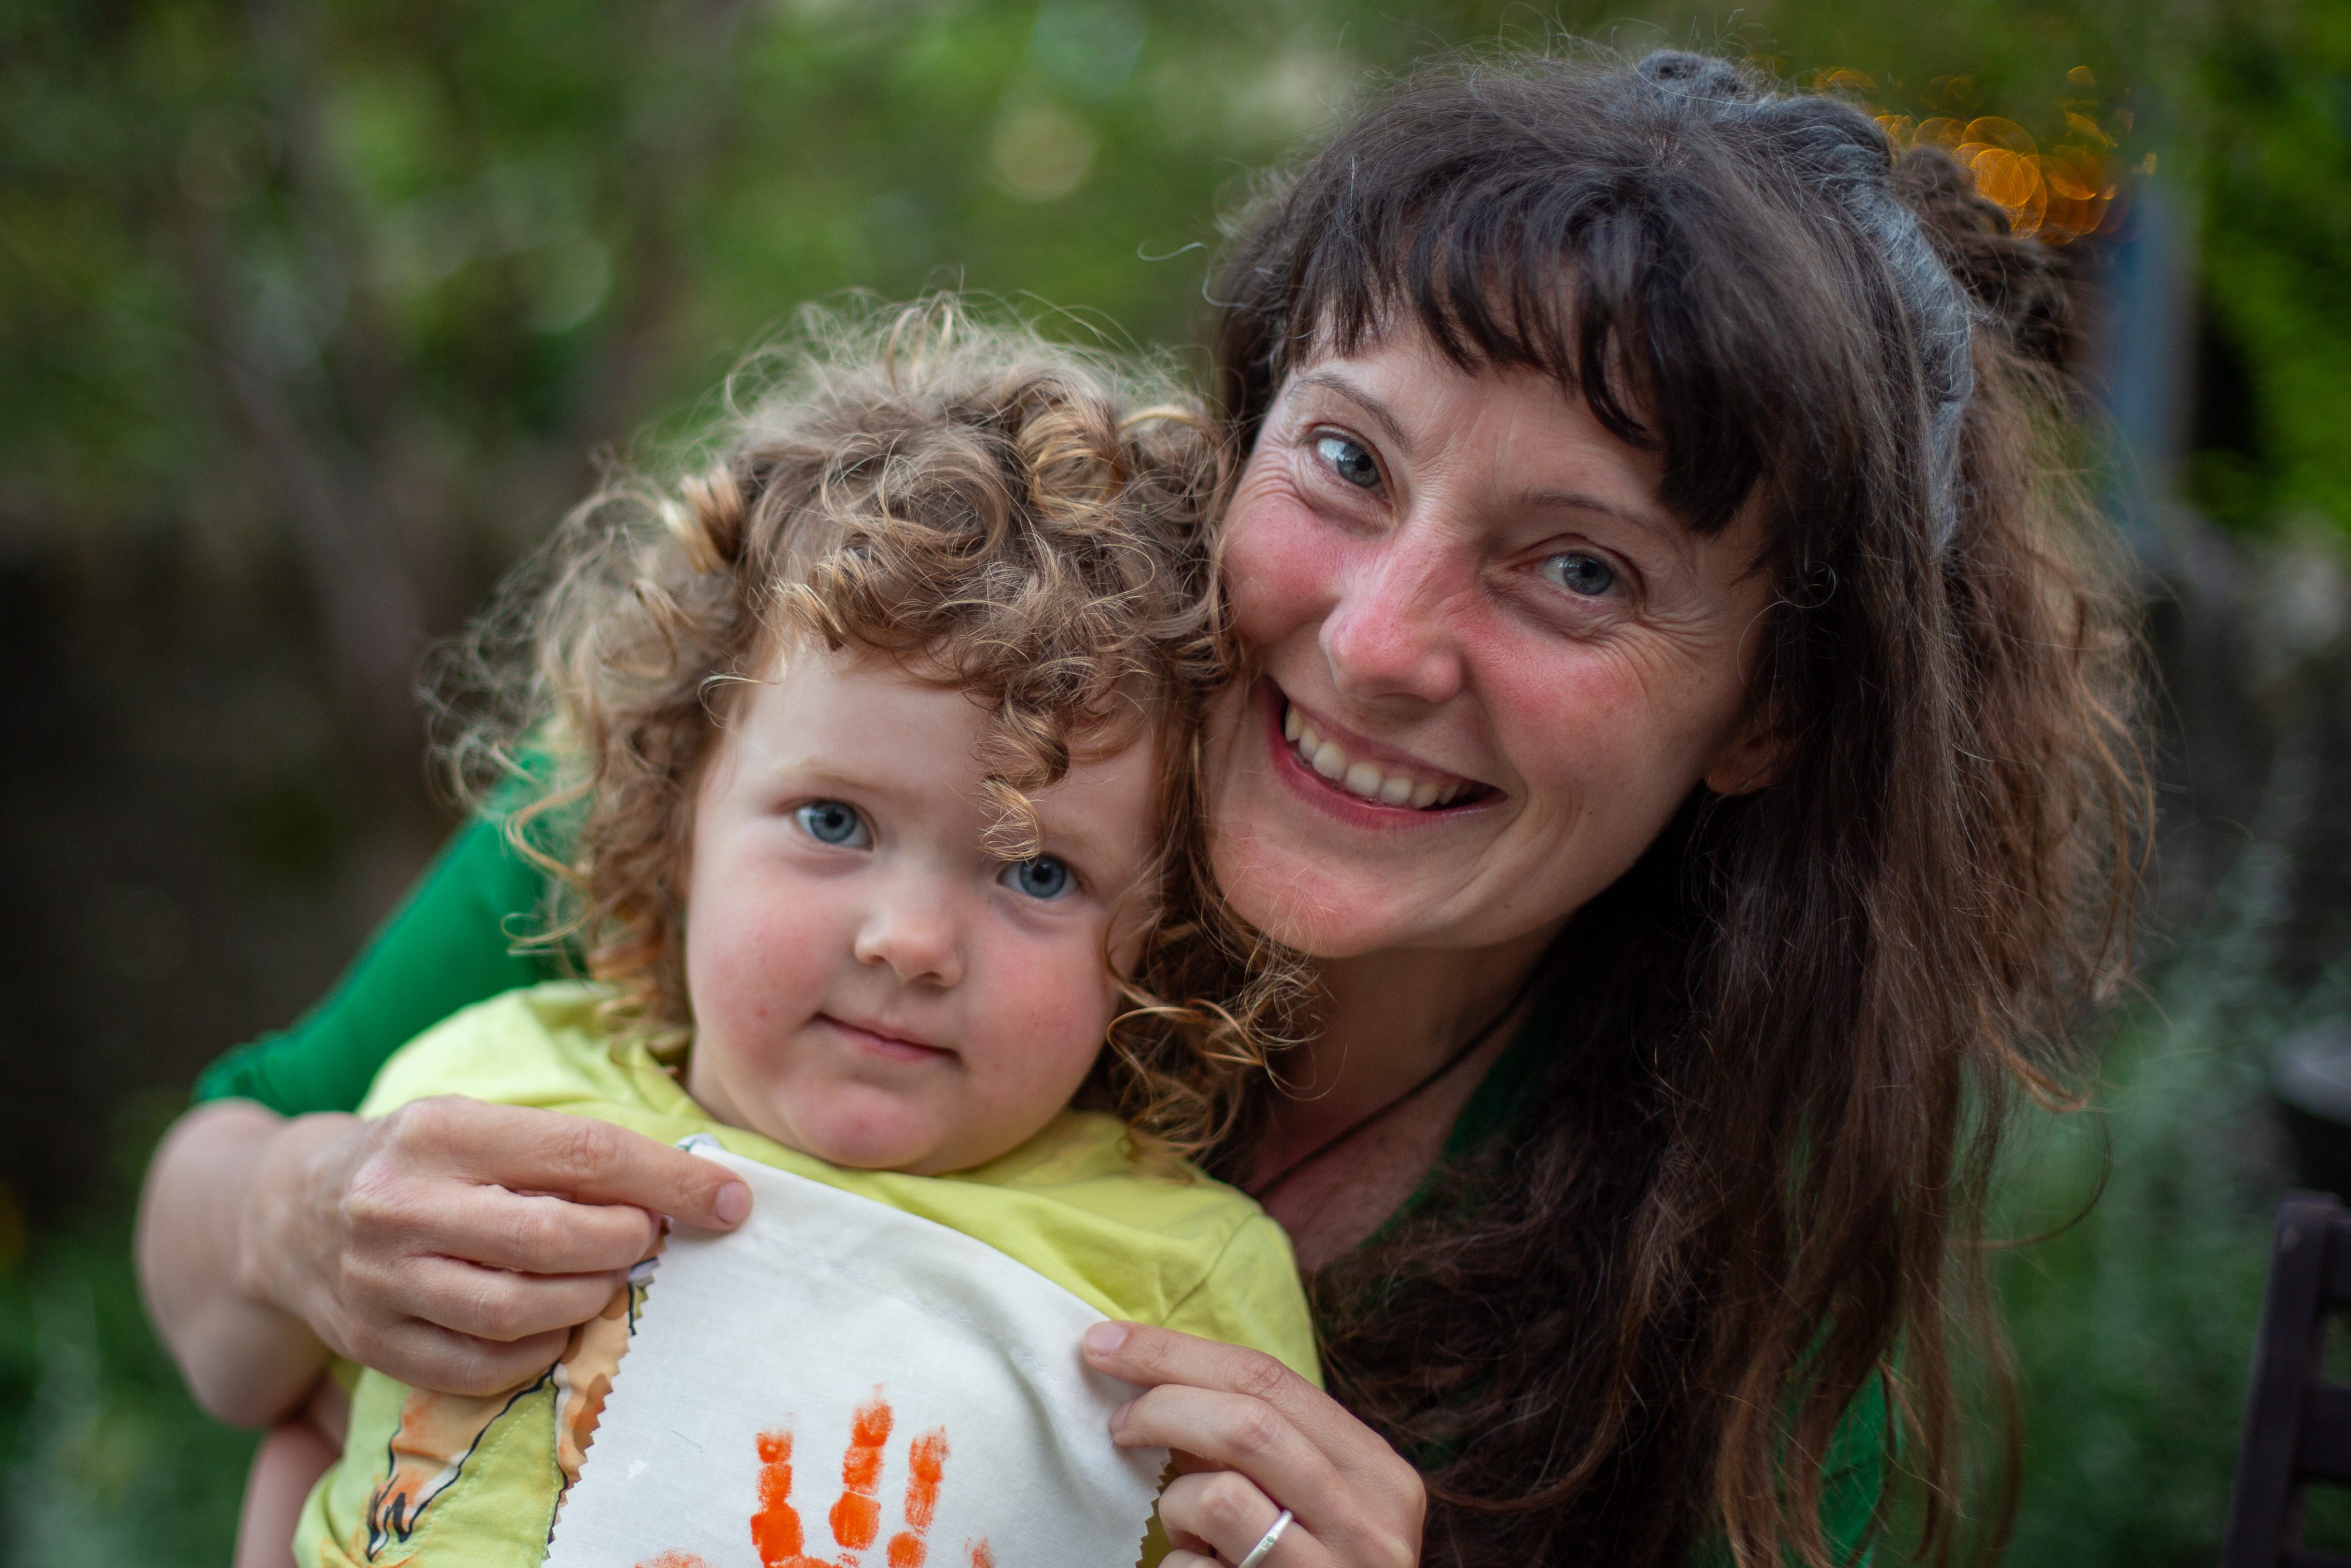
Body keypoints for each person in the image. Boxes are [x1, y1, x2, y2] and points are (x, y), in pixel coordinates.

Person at [138, 47, 2144, 1568]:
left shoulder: (1744, 1296)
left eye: (1580, 571)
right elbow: (223, 1246)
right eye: (1347, 461)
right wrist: (301, 1228)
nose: (1375, 641)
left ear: (1770, 712)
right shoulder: (842, 732)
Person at [279, 310, 1319, 1566]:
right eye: (835, 821)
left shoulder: (1186, 1283)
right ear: (671, 815)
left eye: (1039, 871)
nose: (912, 940)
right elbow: (313, 1435)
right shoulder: (475, 1098)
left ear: (1156, 936)